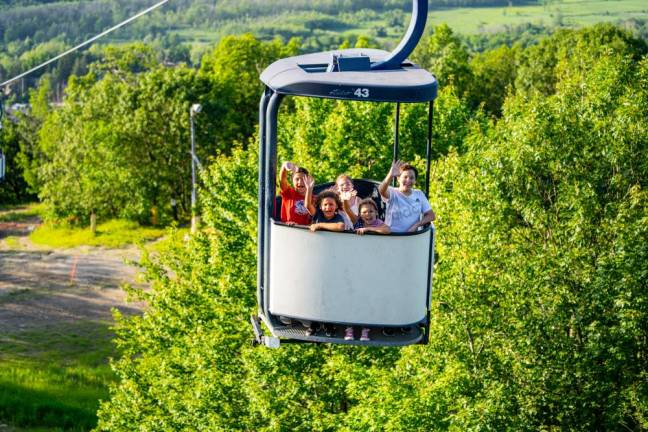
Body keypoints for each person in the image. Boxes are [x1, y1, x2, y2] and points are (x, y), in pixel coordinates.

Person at [378, 160, 435, 233]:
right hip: (391, 236)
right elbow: (381, 190)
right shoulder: (393, 192)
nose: (408, 180)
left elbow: (431, 215)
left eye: (411, 178)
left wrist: (416, 225)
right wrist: (390, 175)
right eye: (405, 177)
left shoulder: (419, 194)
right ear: (398, 179)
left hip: (410, 237)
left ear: (415, 181)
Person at [278, 161, 311, 226]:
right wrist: (284, 166)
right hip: (289, 229)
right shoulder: (289, 193)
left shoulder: (312, 198)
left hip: (305, 232)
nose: (300, 182)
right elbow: (282, 180)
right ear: (292, 181)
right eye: (297, 179)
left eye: (303, 179)